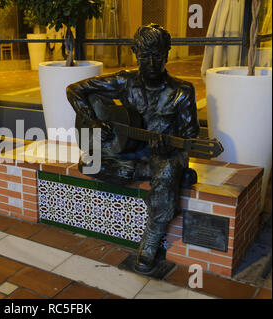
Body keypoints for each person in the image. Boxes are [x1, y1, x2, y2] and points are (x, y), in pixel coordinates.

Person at [66, 23, 200, 273]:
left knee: (168, 168)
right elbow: (75, 90)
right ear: (134, 53)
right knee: (89, 163)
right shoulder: (124, 81)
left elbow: (191, 135)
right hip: (131, 151)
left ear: (167, 54)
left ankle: (150, 240)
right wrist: (93, 120)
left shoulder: (182, 91)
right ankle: (164, 177)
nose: (151, 63)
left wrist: (169, 147)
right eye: (144, 56)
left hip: (166, 154)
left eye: (157, 56)